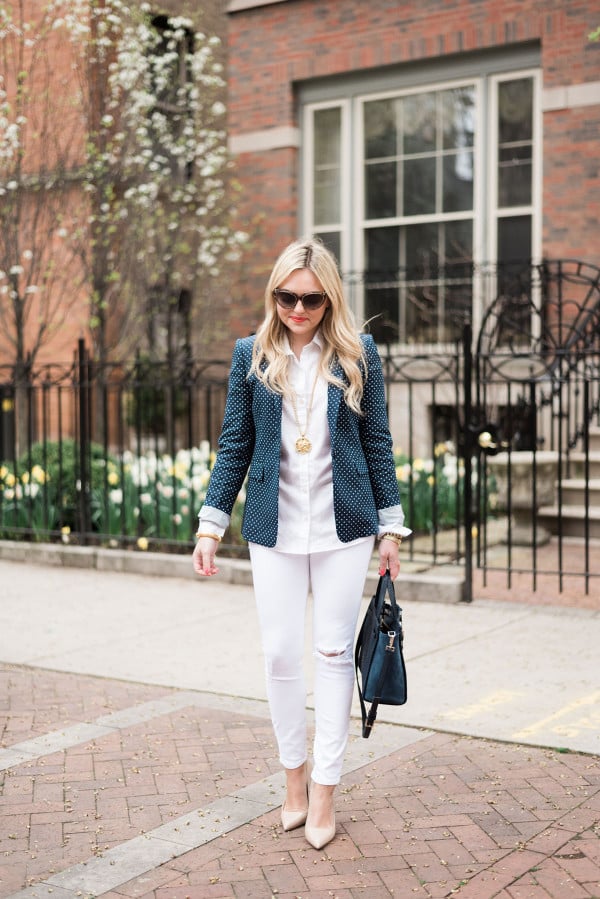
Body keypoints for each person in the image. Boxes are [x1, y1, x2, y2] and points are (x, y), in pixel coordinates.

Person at [193, 237, 410, 850]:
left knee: (336, 654)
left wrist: (391, 527)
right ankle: (292, 781)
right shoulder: (251, 354)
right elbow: (234, 444)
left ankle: (325, 791)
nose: (297, 308)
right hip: (275, 524)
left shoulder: (357, 353)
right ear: (274, 295)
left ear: (329, 297)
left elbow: (378, 445)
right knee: (282, 655)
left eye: (311, 299)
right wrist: (211, 523)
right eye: (286, 296)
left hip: (345, 527)